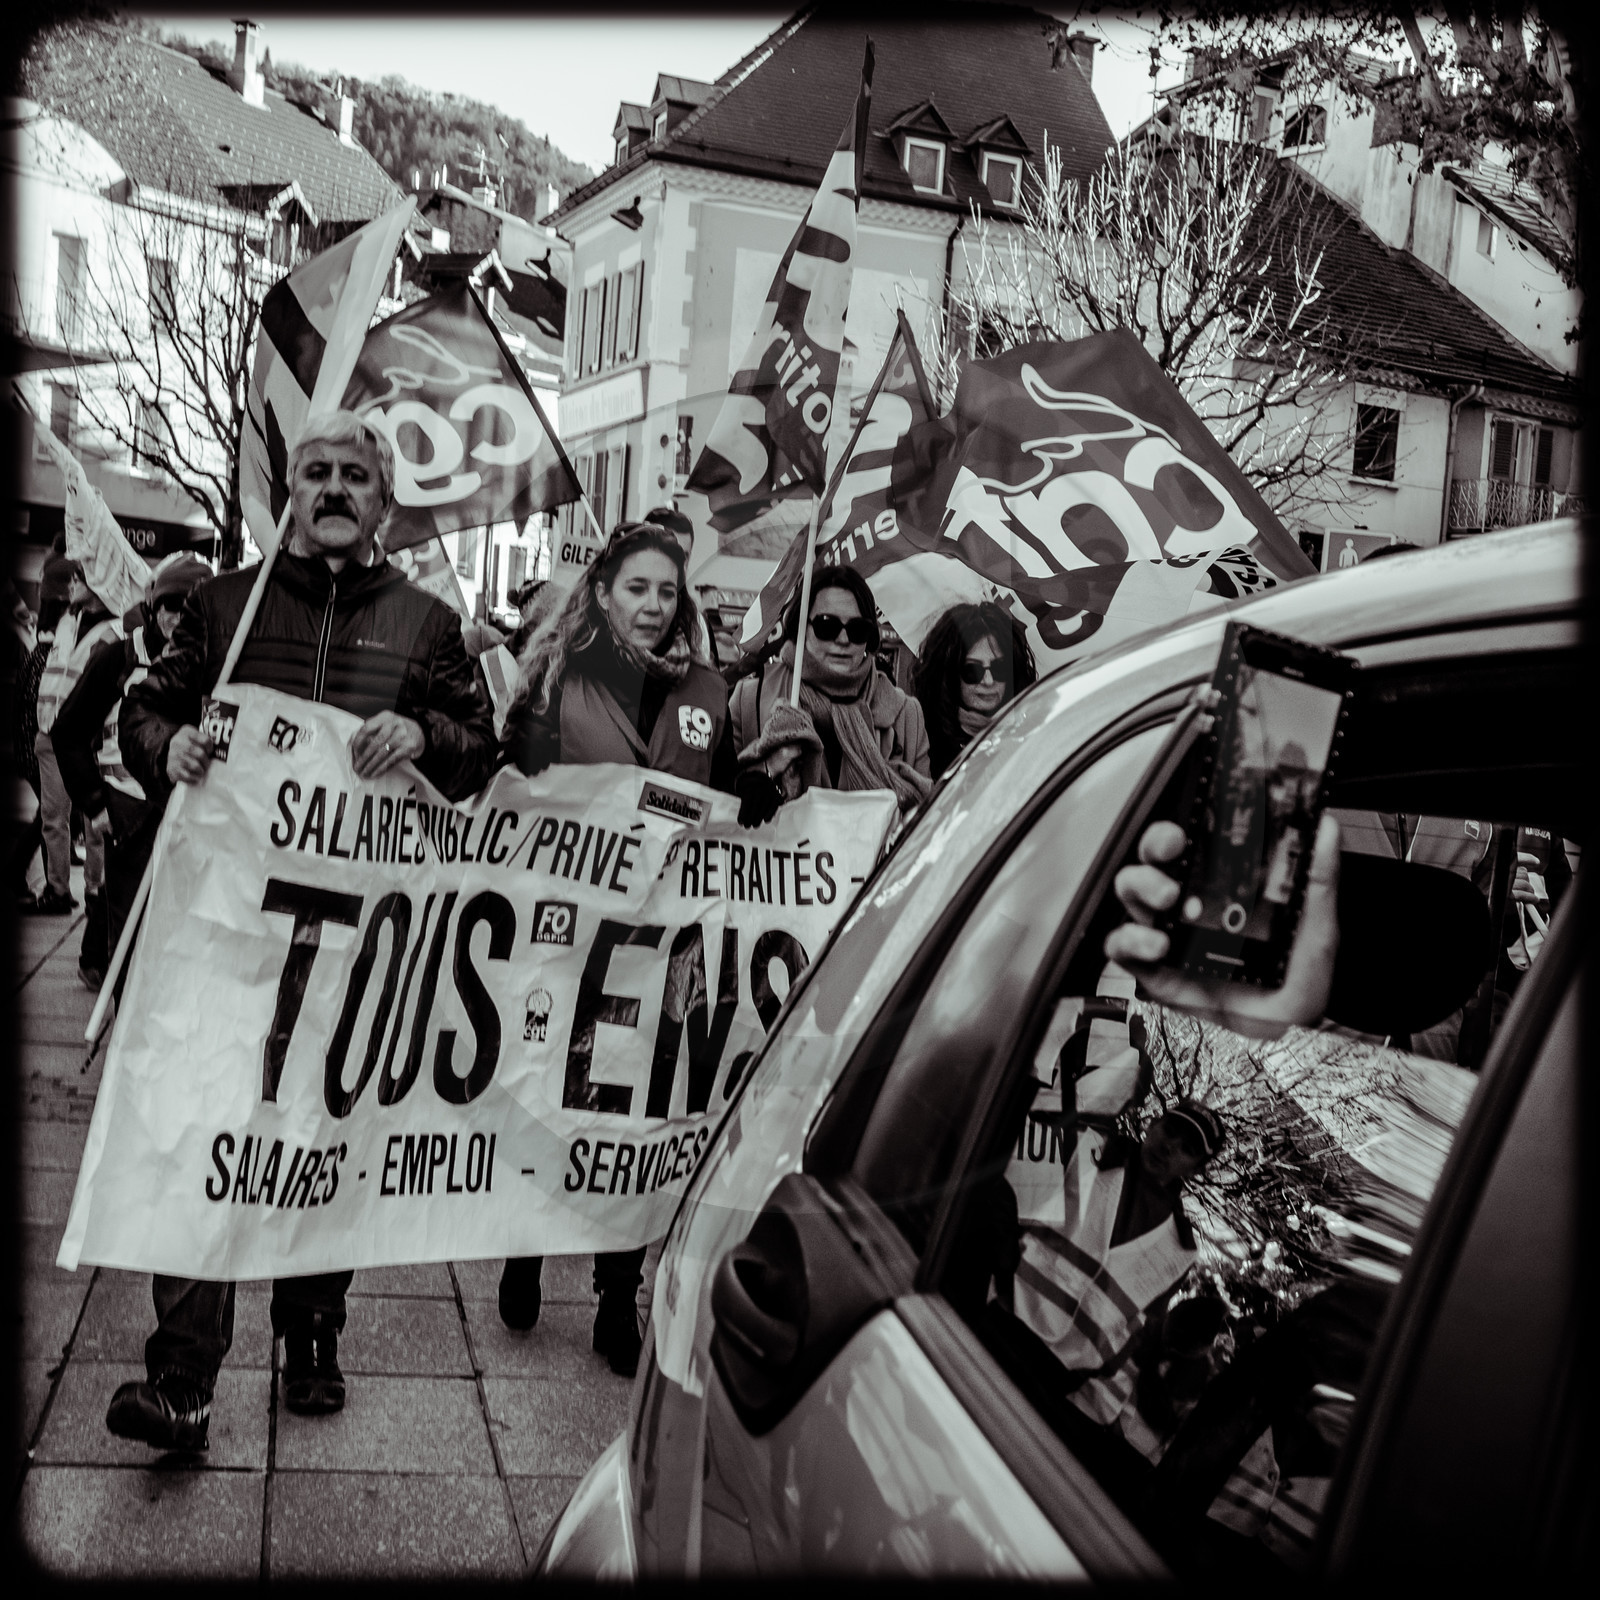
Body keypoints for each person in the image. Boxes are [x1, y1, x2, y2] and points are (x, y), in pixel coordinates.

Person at [109, 410, 497, 1453]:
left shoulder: (427, 627)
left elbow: (478, 752)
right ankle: (182, 1379)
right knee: (203, 1140)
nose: (332, 488)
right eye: (314, 472)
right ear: (290, 494)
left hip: (354, 942)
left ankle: (312, 1332)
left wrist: (426, 732)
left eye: (353, 475)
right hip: (223, 933)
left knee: (326, 1133)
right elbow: (142, 707)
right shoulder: (226, 607)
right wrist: (171, 743)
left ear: (385, 502)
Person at [498, 519, 734, 1374]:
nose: (654, 606)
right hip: (562, 937)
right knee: (548, 1100)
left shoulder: (709, 691)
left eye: (667, 592)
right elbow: (512, 792)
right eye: (637, 588)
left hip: (662, 944)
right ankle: (523, 1242)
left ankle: (614, 1295)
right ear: (602, 592)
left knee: (639, 1117)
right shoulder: (557, 680)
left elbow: (730, 799)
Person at [50, 555, 211, 990]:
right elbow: (68, 731)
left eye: (191, 609)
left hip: (197, 827)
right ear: (155, 607)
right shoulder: (119, 657)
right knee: (130, 950)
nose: (178, 618)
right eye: (171, 606)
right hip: (130, 819)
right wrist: (95, 804)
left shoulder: (221, 665)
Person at [729, 563, 930, 827]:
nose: (844, 640)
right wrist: (763, 772)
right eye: (827, 625)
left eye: (858, 629)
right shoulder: (750, 698)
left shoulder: (906, 714)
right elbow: (717, 800)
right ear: (800, 627)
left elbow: (925, 818)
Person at [32, 561, 118, 929]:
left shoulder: (113, 631)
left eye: (79, 577)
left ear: (98, 583)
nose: (72, 583)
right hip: (50, 734)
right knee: (54, 820)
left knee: (95, 822)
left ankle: (97, 893)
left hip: (89, 739)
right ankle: (57, 890)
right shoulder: (67, 623)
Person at [911, 600, 1037, 779]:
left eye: (1000, 668)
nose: (988, 680)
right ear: (949, 673)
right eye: (973, 670)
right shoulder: (920, 740)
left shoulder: (1033, 732)